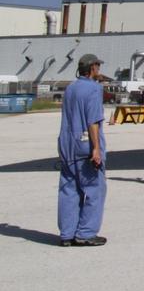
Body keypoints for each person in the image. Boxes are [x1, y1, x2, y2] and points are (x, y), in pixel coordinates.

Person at [57, 53, 108, 246]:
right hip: (85, 144)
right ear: (93, 67)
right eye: (98, 66)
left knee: (69, 189)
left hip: (67, 144)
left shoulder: (71, 88)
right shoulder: (94, 89)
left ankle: (67, 234)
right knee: (95, 188)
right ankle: (86, 233)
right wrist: (96, 149)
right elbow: (93, 120)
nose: (99, 70)